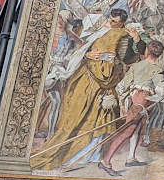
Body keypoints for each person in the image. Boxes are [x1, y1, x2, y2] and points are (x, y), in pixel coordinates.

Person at [31, 9, 129, 171]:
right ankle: (81, 154)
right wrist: (89, 56)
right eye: (109, 20)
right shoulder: (101, 32)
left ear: (121, 24)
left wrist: (107, 65)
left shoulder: (115, 35)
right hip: (86, 80)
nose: (110, 24)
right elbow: (83, 54)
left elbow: (108, 68)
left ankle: (90, 155)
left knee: (95, 118)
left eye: (114, 22)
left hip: (97, 84)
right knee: (80, 117)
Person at [98, 42, 164, 175]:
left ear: (147, 51)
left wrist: (122, 101)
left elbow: (121, 86)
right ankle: (105, 161)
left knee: (137, 129)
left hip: (140, 102)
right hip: (139, 104)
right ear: (160, 55)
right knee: (128, 132)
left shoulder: (136, 66)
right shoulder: (157, 69)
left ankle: (131, 158)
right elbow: (162, 88)